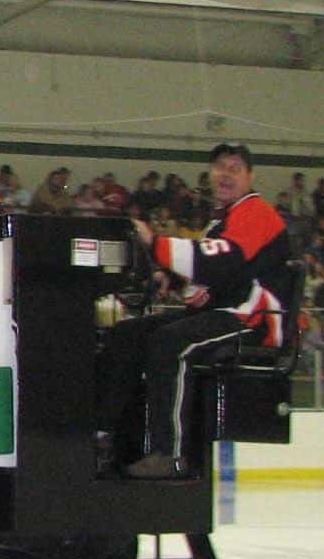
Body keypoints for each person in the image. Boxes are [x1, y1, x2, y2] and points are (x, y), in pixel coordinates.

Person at [98, 144, 291, 480]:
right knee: (128, 333)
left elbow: (222, 260)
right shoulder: (221, 220)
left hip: (253, 320)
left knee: (170, 342)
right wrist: (171, 278)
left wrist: (156, 243)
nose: (225, 174)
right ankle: (104, 433)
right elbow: (213, 274)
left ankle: (169, 455)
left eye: (234, 168)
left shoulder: (255, 212)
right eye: (220, 167)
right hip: (226, 312)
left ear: (250, 177)